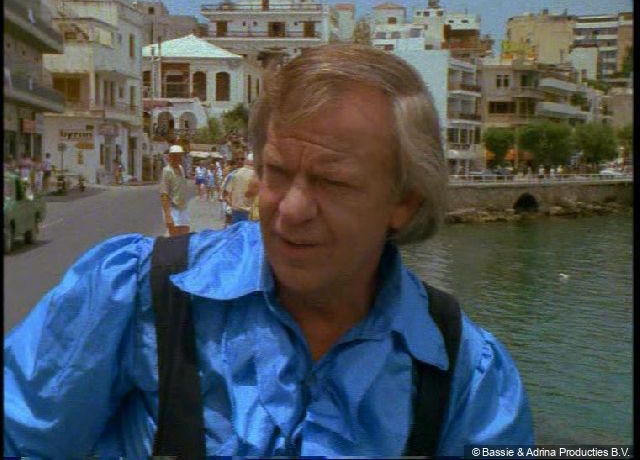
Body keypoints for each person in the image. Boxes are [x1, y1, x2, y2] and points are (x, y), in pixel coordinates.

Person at [3, 44, 532, 457]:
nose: (291, 209)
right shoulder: (137, 294)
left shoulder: (465, 376)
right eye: (277, 172)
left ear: (403, 201)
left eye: (333, 181)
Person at [159, 144, 189, 236]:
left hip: (182, 207)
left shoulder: (181, 168)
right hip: (172, 208)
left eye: (179, 155)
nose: (177, 158)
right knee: (174, 236)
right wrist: (168, 215)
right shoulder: (167, 171)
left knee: (185, 234)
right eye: (175, 155)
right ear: (170, 156)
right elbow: (164, 194)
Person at [225, 153, 257, 224]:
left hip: (236, 211)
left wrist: (232, 205)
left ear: (247, 161)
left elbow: (227, 194)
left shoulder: (235, 173)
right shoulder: (257, 175)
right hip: (250, 213)